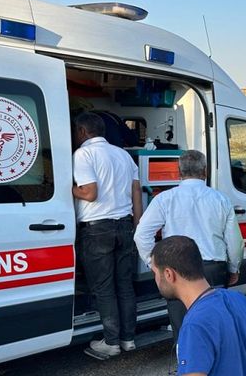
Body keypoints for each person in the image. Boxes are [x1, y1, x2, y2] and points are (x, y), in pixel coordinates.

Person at [133, 149, 244, 343]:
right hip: (213, 269)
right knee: (214, 327)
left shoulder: (164, 199)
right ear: (205, 171)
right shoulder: (221, 200)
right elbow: (235, 243)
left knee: (183, 330)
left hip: (178, 272)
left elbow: (141, 235)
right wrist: (233, 268)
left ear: (179, 172)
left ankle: (188, 367)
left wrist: (155, 264)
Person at [71, 112, 142, 360]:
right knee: (124, 285)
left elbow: (89, 193)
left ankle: (110, 342)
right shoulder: (123, 155)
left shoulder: (83, 154)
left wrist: (67, 188)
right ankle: (128, 339)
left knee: (103, 288)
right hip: (124, 226)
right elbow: (136, 193)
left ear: (81, 132)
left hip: (97, 229)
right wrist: (137, 225)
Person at [150, 236, 246, 376]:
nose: (155, 279)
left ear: (168, 274)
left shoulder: (194, 324)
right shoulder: (239, 299)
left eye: (154, 273)